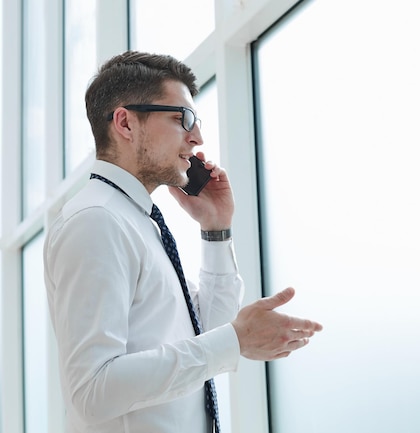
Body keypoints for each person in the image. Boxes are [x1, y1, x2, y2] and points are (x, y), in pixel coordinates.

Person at [43, 50, 323, 433]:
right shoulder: (96, 221)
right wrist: (234, 340)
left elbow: (207, 334)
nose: (198, 138)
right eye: (182, 119)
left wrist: (215, 229)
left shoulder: (136, 221)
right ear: (125, 123)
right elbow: (93, 391)